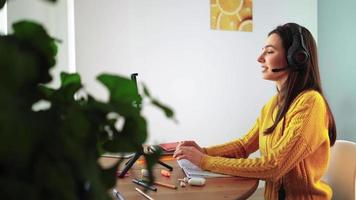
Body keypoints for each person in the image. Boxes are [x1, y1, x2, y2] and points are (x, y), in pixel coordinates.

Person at [173, 23, 337, 200]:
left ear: (296, 57)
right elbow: (244, 146)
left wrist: (204, 161)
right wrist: (204, 151)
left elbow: (274, 166)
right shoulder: (273, 105)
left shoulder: (311, 103)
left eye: (269, 51)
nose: (260, 58)